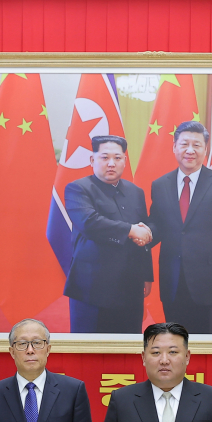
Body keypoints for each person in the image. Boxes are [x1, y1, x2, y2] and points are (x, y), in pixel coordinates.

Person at [146, 121, 212, 334]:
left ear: (205, 149)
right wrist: (142, 233)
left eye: (197, 145)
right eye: (184, 144)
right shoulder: (160, 184)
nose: (190, 150)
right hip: (173, 280)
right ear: (174, 147)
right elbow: (158, 223)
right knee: (176, 340)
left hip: (211, 281)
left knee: (209, 345)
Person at [63, 135, 155, 334]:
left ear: (125, 160)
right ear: (92, 160)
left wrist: (146, 275)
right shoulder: (78, 189)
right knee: (90, 352)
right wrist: (130, 230)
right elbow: (89, 222)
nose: (111, 163)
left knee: (127, 349)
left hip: (130, 286)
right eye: (104, 157)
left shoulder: (135, 192)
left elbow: (143, 231)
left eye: (118, 158)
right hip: (91, 287)